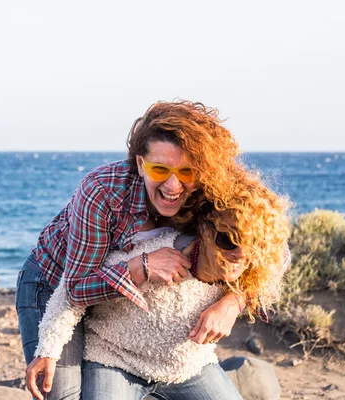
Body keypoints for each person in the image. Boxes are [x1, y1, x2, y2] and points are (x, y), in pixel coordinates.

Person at [16, 100, 286, 400]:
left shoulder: (215, 188)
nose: (173, 185)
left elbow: (274, 249)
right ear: (141, 164)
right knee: (63, 395)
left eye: (187, 171)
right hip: (59, 280)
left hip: (120, 313)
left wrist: (233, 302)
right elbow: (76, 288)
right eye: (160, 169)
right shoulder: (104, 192)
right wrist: (142, 266)